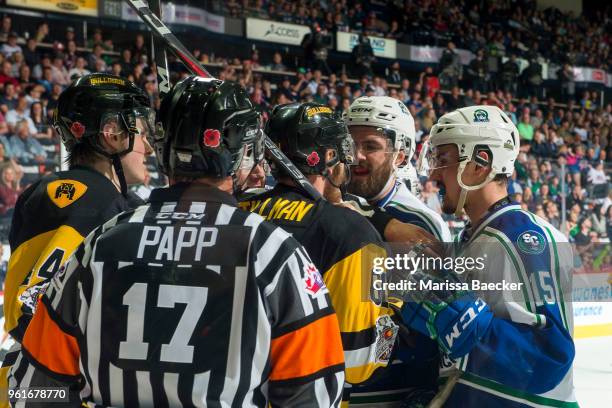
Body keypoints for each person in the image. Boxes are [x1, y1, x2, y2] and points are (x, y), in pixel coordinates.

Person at [14, 76, 345, 407]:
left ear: (162, 147)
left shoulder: (99, 245)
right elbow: (314, 393)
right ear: (244, 153)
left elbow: (33, 390)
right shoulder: (275, 252)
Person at [0, 73, 154, 403]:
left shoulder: (38, 192)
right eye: (141, 134)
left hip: (20, 381)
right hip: (65, 388)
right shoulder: (107, 203)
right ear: (113, 134)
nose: (149, 148)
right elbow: (36, 305)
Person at [239, 101, 406, 404]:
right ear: (329, 156)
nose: (351, 158)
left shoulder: (235, 210)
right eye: (344, 149)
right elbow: (359, 363)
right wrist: (392, 309)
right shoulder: (349, 232)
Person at [413, 105, 576, 406]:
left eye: (443, 160)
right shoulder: (469, 237)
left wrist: (465, 324)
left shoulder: (525, 239)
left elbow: (550, 359)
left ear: (479, 164)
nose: (433, 174)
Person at [344, 96, 451, 241]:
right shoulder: (328, 198)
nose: (356, 156)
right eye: (350, 145)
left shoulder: (420, 224)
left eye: (370, 147)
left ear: (399, 157)